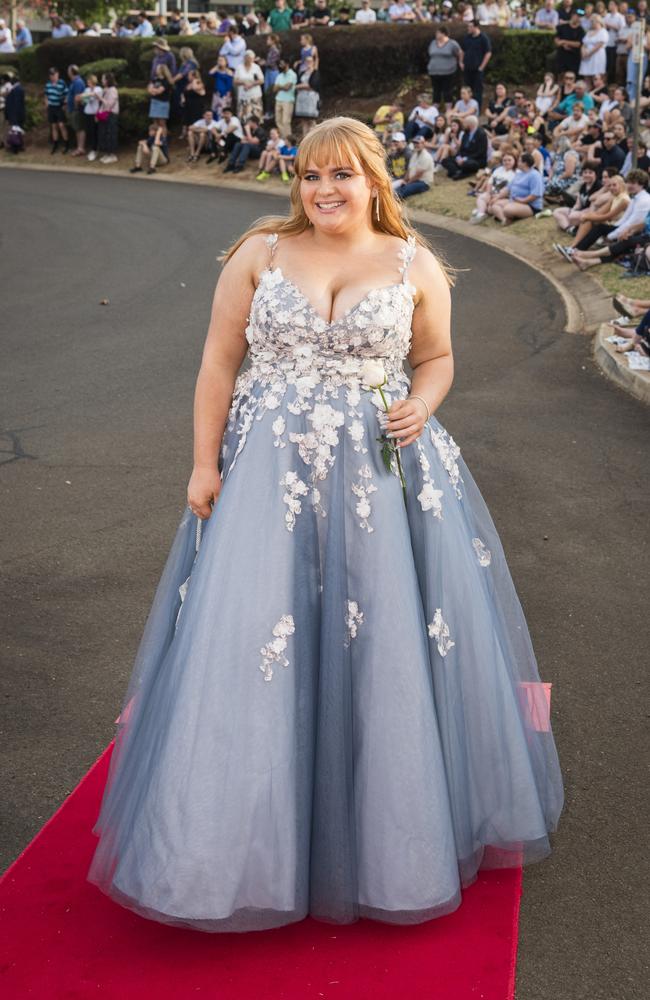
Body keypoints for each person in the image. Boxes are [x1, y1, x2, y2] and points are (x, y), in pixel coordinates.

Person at [86, 115, 564, 932]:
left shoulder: (414, 263)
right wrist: (205, 463)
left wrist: (423, 401)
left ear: (374, 179)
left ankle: (389, 843)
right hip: (268, 473)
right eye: (310, 175)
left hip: (383, 474)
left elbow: (437, 357)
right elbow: (216, 362)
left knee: (384, 644)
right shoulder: (259, 254)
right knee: (253, 640)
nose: (324, 190)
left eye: (341, 175)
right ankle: (230, 847)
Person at [489, 152, 546, 223]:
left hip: (530, 205)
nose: (517, 162)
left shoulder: (534, 175)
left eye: (519, 161)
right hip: (514, 201)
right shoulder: (519, 173)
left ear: (525, 163)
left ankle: (505, 215)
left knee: (507, 209)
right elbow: (508, 188)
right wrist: (497, 197)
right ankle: (504, 219)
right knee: (494, 205)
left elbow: (536, 194)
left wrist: (522, 201)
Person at [440, 114, 488, 180]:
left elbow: (481, 152)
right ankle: (458, 172)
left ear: (470, 124)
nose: (463, 125)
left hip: (476, 159)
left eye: (465, 123)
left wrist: (465, 159)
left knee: (467, 163)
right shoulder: (466, 133)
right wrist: (459, 157)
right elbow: (461, 148)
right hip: (464, 157)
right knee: (445, 160)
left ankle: (456, 171)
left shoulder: (481, 134)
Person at [427, 26, 463, 111]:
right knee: (436, 90)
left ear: (443, 34)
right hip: (434, 72)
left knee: (447, 91)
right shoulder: (433, 43)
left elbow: (460, 53)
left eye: (438, 33)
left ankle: (448, 109)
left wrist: (460, 62)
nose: (436, 35)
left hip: (448, 72)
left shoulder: (452, 43)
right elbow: (430, 53)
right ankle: (435, 108)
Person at [460, 21, 491, 112]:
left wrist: (482, 66)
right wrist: (461, 62)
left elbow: (488, 53)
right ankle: (466, 109)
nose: (468, 29)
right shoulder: (467, 38)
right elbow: (462, 50)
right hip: (467, 68)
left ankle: (476, 111)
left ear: (476, 27)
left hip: (477, 69)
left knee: (477, 91)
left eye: (470, 27)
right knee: (467, 90)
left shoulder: (483, 38)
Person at [393, 132, 434, 197]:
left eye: (418, 143)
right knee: (399, 187)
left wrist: (408, 182)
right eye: (414, 143)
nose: (415, 145)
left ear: (423, 144)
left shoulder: (426, 156)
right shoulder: (414, 154)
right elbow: (409, 170)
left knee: (404, 189)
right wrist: (404, 180)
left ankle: (393, 201)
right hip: (414, 180)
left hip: (423, 182)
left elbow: (418, 175)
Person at [44, 67, 70, 155]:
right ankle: (55, 144)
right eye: (51, 75)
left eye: (54, 74)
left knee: (61, 125)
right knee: (54, 126)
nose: (52, 76)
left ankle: (66, 144)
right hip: (51, 107)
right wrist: (46, 102)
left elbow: (67, 94)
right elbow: (46, 95)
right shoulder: (48, 84)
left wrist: (65, 105)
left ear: (57, 74)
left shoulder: (62, 83)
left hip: (60, 106)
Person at [97, 71, 120, 164]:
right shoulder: (105, 89)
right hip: (105, 115)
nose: (101, 80)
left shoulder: (113, 90)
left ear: (107, 80)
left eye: (103, 78)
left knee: (111, 134)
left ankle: (112, 155)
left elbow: (109, 104)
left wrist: (101, 98)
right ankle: (107, 153)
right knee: (105, 134)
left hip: (111, 115)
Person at [273, 57, 297, 140]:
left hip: (288, 101)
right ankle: (284, 140)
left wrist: (279, 86)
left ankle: (289, 141)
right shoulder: (279, 75)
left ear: (287, 64)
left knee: (286, 122)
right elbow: (274, 89)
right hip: (278, 99)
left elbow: (288, 87)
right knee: (278, 121)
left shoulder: (292, 74)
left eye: (282, 64)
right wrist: (281, 87)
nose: (280, 65)